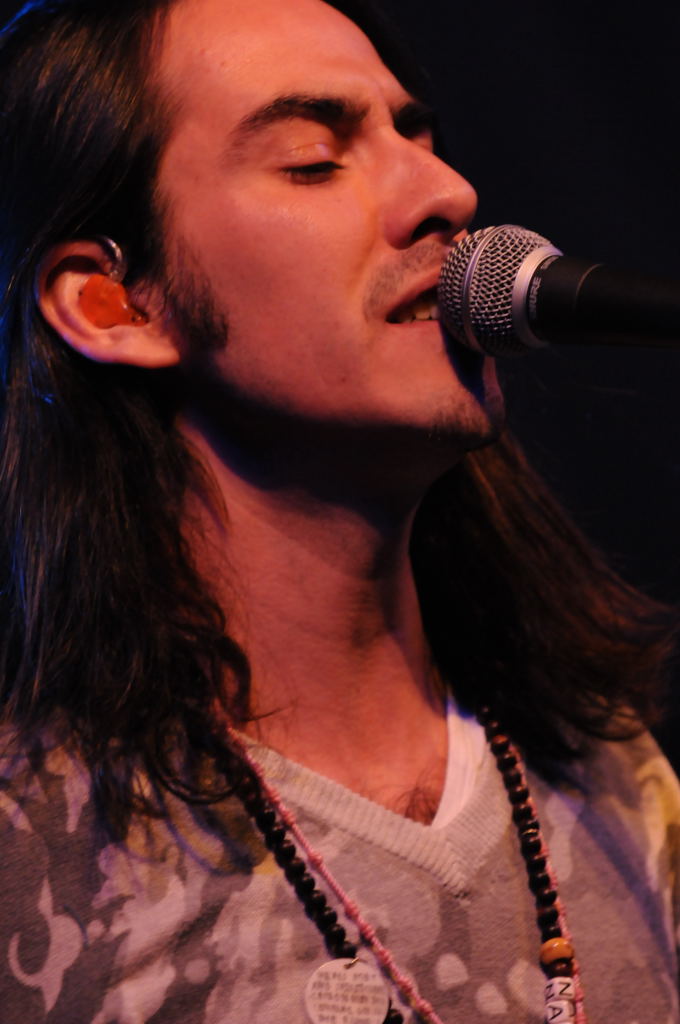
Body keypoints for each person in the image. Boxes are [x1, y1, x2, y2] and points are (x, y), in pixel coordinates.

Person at [0, 0, 678, 1021]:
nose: (449, 193)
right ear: (115, 304)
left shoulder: (614, 776)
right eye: (313, 160)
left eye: (415, 134)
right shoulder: (34, 849)